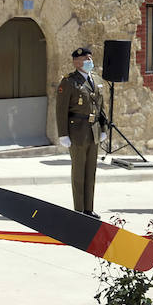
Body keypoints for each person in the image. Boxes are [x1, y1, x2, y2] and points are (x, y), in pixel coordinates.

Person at [55, 47, 107, 218]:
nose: (89, 61)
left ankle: (88, 208)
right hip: (77, 130)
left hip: (93, 130)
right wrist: (63, 134)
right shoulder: (69, 82)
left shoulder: (97, 80)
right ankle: (79, 209)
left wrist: (104, 128)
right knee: (79, 170)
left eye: (90, 58)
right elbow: (61, 109)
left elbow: (101, 107)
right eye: (85, 58)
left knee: (91, 170)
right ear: (76, 62)